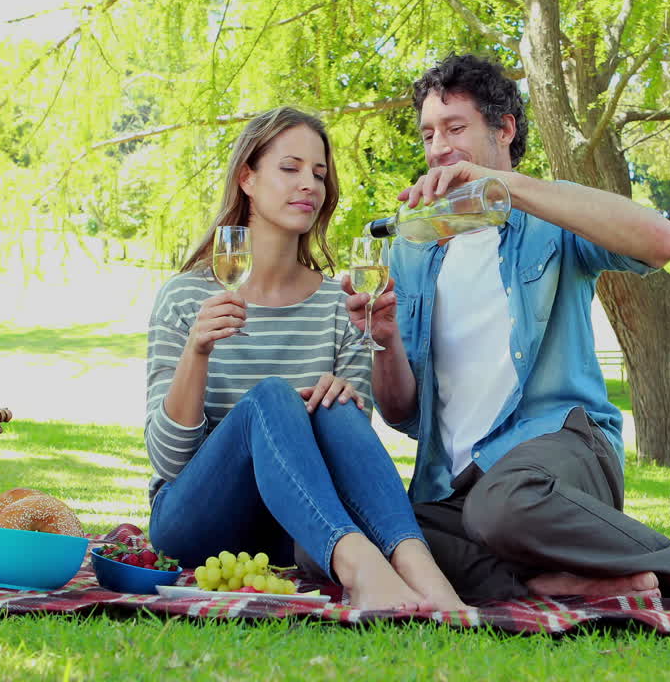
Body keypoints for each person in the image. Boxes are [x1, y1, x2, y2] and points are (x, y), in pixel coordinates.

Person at [344, 55, 670, 609]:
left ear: (504, 129)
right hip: (452, 485)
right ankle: (546, 581)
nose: (438, 147)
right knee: (359, 528)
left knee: (503, 504)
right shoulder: (412, 248)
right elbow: (402, 413)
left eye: (455, 128)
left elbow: (661, 243)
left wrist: (504, 187)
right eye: (429, 133)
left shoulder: (551, 218)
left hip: (558, 452)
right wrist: (384, 338)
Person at [145, 106, 466, 611]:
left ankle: (419, 569)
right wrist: (197, 351)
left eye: (319, 174)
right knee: (272, 398)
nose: (309, 185)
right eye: (290, 168)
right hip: (195, 524)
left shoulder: (341, 304)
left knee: (335, 405)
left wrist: (348, 398)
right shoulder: (186, 298)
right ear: (247, 178)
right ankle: (360, 569)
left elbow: (351, 461)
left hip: (296, 531)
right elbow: (169, 462)